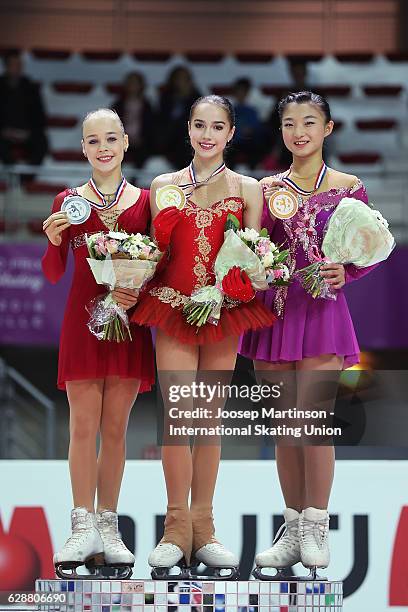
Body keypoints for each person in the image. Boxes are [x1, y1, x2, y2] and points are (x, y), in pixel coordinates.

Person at [132, 95, 275, 578]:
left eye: (217, 126)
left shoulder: (248, 188)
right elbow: (153, 253)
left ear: (231, 132)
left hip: (225, 312)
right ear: (188, 130)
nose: (207, 134)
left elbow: (254, 257)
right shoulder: (163, 185)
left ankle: (205, 529)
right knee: (178, 419)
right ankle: (175, 531)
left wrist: (245, 281)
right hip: (173, 307)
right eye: (199, 125)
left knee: (208, 421)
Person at [240, 91, 378, 577]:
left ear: (328, 128)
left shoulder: (348, 186)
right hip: (275, 315)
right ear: (281, 131)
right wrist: (253, 267)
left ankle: (317, 528)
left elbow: (366, 248)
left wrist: (348, 272)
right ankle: (293, 529)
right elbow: (254, 248)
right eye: (290, 124)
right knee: (285, 433)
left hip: (322, 315)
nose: (299, 132)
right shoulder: (266, 188)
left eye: (309, 123)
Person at [42, 108, 154, 578]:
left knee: (115, 431)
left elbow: (157, 266)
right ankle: (80, 523)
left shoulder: (148, 201)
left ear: (126, 142)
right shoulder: (69, 201)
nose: (103, 147)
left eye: (111, 138)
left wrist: (138, 289)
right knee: (82, 427)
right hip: (83, 324)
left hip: (128, 324)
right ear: (83, 147)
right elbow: (53, 274)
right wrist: (52, 241)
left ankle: (108, 526)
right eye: (93, 140)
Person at [0, 50, 48, 167]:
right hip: (3, 133)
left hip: (27, 132)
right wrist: (4, 131)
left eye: (19, 65)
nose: (17, 68)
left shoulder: (30, 87)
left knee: (41, 141)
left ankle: (27, 178)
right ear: (6, 66)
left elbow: (40, 115)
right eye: (13, 65)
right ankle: (11, 175)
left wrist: (28, 132)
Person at [156, 65, 201, 168]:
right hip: (168, 134)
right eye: (178, 79)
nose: (180, 82)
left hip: (187, 134)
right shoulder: (166, 96)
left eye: (184, 79)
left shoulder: (196, 96)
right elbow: (162, 117)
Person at [112, 71, 154, 168]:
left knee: (143, 153)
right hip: (121, 140)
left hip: (141, 142)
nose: (133, 86)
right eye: (130, 83)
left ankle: (135, 179)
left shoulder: (147, 105)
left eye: (135, 83)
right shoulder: (118, 104)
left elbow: (150, 126)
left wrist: (142, 138)